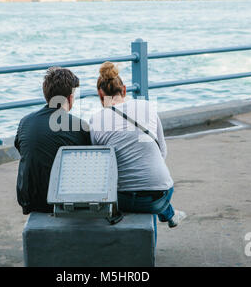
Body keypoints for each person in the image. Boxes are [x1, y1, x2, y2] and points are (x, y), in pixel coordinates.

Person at [89, 61, 186, 232]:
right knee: (152, 193)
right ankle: (168, 214)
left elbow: (100, 167)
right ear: (124, 90)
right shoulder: (147, 107)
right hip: (160, 195)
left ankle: (168, 214)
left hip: (121, 199)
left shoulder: (96, 120)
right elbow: (162, 151)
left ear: (100, 93)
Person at [15, 67, 91, 215]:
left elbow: (22, 150)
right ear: (70, 98)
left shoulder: (25, 122)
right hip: (60, 200)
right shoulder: (79, 126)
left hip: (29, 199)